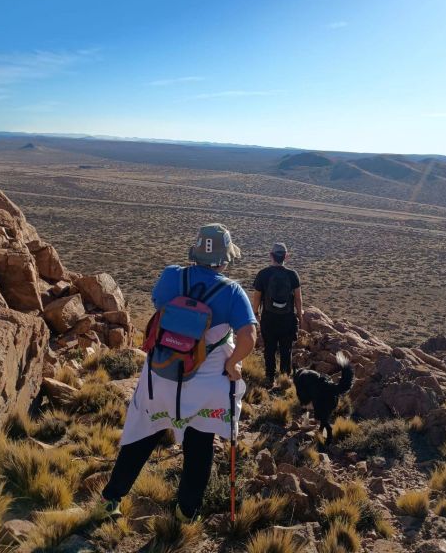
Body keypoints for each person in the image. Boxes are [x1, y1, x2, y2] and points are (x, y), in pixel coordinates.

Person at [97, 223, 257, 521]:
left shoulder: (172, 276)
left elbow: (159, 304)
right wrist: (232, 363)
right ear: (224, 260)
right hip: (206, 386)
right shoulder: (232, 291)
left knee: (142, 436)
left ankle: (110, 499)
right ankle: (186, 513)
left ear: (196, 252)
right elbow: (249, 337)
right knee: (199, 448)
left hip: (161, 375)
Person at [253, 242, 303, 386]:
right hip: (287, 319)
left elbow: (257, 297)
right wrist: (300, 315)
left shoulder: (263, 274)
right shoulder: (292, 275)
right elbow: (298, 298)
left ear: (271, 255)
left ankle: (270, 377)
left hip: (269, 318)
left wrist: (256, 313)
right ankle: (285, 378)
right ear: (286, 256)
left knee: (269, 348)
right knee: (286, 348)